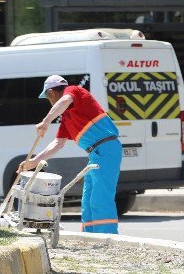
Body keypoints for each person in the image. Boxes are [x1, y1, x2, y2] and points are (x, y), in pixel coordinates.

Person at [18, 75, 123, 233]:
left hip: (107, 149)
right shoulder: (67, 116)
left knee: (100, 198)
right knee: (88, 200)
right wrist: (33, 161)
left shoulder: (73, 91)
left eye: (47, 97)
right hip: (96, 153)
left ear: (51, 93)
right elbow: (57, 143)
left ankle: (108, 236)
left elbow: (65, 100)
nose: (49, 101)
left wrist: (46, 121)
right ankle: (90, 236)